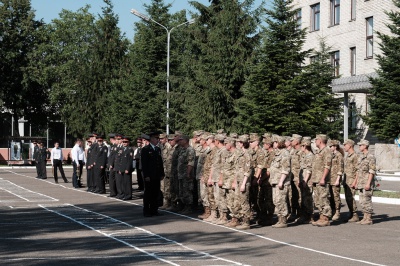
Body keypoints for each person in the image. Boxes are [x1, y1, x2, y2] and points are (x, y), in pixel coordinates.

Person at [268, 136, 291, 228]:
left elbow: (286, 169)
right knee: (276, 201)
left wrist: (281, 181)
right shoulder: (277, 154)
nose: (273, 144)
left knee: (280, 200)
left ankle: (283, 220)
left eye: (274, 142)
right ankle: (279, 218)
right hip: (275, 181)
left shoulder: (285, 153)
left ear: (278, 143)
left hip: (281, 182)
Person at [351, 139, 376, 225]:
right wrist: (355, 182)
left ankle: (368, 218)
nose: (359, 146)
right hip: (361, 183)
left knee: (367, 200)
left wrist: (368, 183)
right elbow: (358, 171)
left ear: (365, 146)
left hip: (366, 182)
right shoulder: (361, 157)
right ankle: (364, 217)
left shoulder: (370, 157)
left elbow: (372, 171)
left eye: (361, 145)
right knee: (362, 200)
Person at [141, 131, 165, 217]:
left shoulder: (158, 149)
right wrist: (146, 175)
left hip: (156, 175)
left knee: (155, 193)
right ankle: (147, 211)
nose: (158, 140)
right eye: (156, 138)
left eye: (158, 138)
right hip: (149, 176)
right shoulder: (145, 149)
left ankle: (154, 210)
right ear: (151, 139)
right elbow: (144, 164)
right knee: (148, 193)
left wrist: (162, 173)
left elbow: (160, 162)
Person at [311, 134, 332, 227]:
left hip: (322, 180)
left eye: (316, 140)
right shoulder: (318, 151)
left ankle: (326, 218)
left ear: (320, 141)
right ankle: (321, 217)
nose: (315, 142)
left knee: (324, 199)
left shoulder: (327, 151)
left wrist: (323, 178)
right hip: (316, 179)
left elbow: (327, 166)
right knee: (318, 200)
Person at [177, 135, 196, 214]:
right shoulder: (182, 150)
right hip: (181, 174)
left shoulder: (190, 150)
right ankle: (184, 206)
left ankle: (189, 207)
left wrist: (188, 173)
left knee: (187, 191)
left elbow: (190, 163)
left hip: (186, 174)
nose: (179, 141)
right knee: (182, 191)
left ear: (186, 140)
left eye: (181, 140)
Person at [343, 139, 360, 222]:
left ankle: (355, 214)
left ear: (350, 145)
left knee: (350, 198)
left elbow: (358, 170)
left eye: (345, 145)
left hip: (351, 180)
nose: (344, 147)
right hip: (346, 180)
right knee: (347, 198)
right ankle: (351, 212)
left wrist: (355, 181)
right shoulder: (348, 155)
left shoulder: (355, 156)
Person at [328, 140, 344, 221]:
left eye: (331, 146)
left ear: (335, 146)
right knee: (330, 196)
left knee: (336, 196)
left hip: (335, 179)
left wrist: (338, 179)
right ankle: (332, 210)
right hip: (330, 179)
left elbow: (340, 169)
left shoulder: (339, 155)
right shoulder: (331, 155)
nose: (330, 148)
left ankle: (337, 212)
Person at [115, 136, 134, 200]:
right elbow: (120, 160)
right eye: (123, 142)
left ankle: (128, 195)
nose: (124, 143)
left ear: (128, 142)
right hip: (122, 168)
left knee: (127, 183)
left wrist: (127, 169)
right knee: (123, 183)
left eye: (126, 142)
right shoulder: (121, 149)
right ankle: (124, 194)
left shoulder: (130, 149)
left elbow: (130, 160)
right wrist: (120, 169)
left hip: (126, 169)